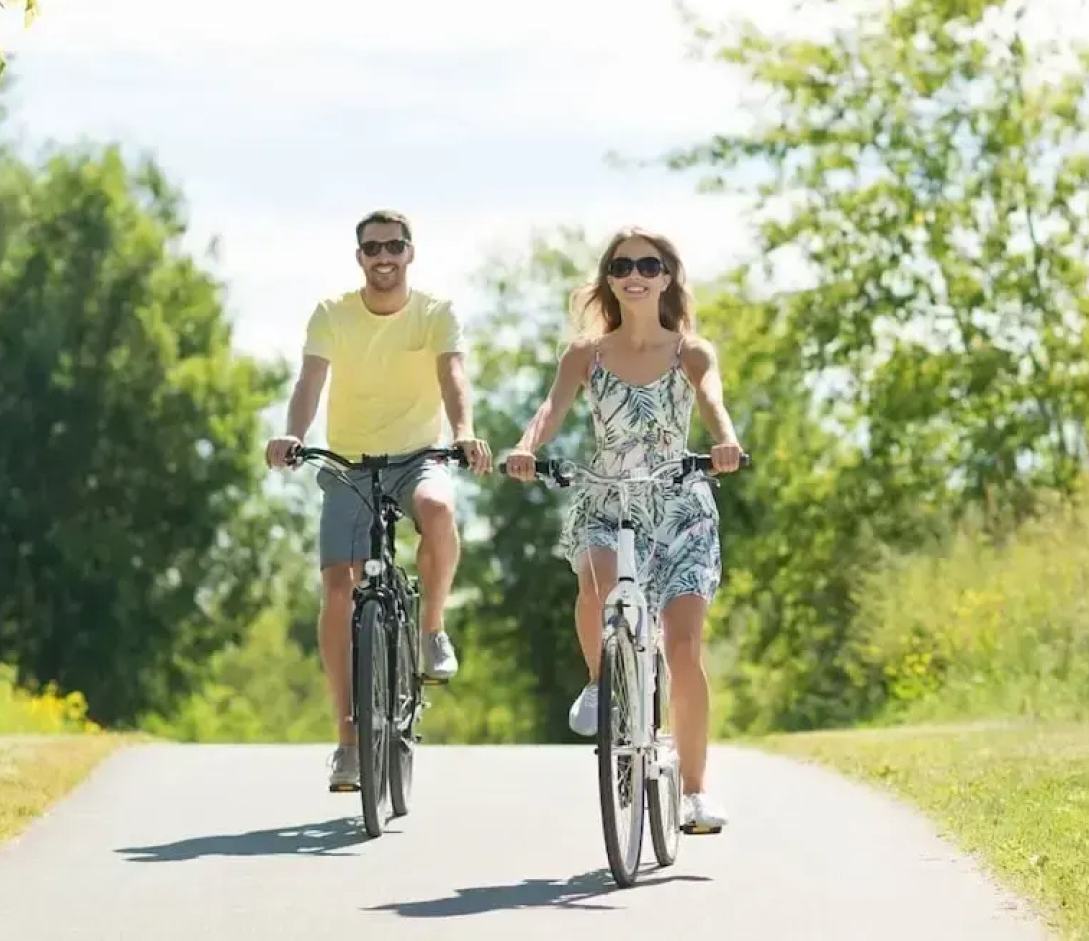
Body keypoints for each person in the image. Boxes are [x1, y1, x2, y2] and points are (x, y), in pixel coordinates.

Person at [501, 226, 743, 834]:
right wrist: (527, 447)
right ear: (610, 279)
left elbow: (711, 401)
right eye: (621, 265)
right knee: (598, 589)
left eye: (647, 264)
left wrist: (725, 441)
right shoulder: (586, 354)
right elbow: (550, 409)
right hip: (608, 500)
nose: (634, 273)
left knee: (683, 648)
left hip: (680, 507)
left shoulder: (692, 351)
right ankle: (601, 682)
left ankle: (694, 792)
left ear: (667, 277)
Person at [265, 209, 492, 792]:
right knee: (338, 587)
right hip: (348, 464)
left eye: (394, 246)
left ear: (410, 252)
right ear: (359, 257)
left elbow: (453, 378)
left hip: (419, 455)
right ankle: (347, 742)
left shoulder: (435, 313)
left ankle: (432, 630)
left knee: (439, 511)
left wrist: (463, 430)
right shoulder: (332, 315)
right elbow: (309, 383)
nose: (383, 256)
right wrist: (293, 434)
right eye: (372, 249)